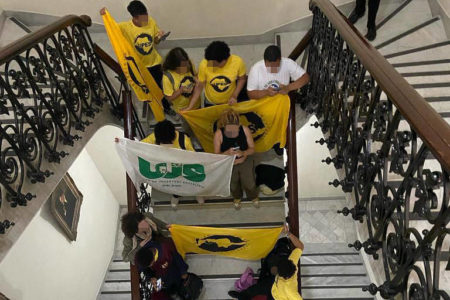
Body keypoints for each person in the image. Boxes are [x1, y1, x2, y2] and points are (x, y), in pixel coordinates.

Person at [99, 1, 174, 115]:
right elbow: (112, 29)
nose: (146, 21)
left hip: (154, 62)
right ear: (135, 18)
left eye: (147, 17)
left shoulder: (151, 21)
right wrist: (105, 16)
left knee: (160, 87)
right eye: (143, 19)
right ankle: (153, 107)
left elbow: (155, 41)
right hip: (139, 67)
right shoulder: (125, 27)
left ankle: (167, 108)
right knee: (146, 89)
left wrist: (159, 37)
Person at [141, 120, 205, 207]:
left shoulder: (184, 141)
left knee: (194, 181)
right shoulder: (154, 137)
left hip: (185, 167)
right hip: (170, 168)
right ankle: (176, 196)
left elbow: (194, 158)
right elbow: (139, 145)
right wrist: (123, 143)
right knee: (176, 184)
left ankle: (198, 193)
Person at [213, 109, 259, 209]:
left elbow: (252, 149)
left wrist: (244, 153)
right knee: (233, 184)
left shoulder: (245, 129)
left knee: (249, 183)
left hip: (245, 160)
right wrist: (227, 153)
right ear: (224, 125)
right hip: (228, 163)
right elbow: (216, 155)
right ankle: (237, 197)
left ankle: (253, 196)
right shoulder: (218, 134)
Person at [185, 41, 246, 109]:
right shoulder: (205, 64)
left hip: (230, 102)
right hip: (210, 102)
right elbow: (199, 86)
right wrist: (190, 107)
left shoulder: (237, 62)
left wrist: (234, 95)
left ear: (225, 60)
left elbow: (242, 79)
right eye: (211, 63)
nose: (212, 66)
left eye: (215, 64)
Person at [271, 224, 305, 300]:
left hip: (275, 294)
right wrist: (288, 233)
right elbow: (301, 246)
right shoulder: (292, 262)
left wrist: (288, 233)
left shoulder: (289, 290)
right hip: (276, 291)